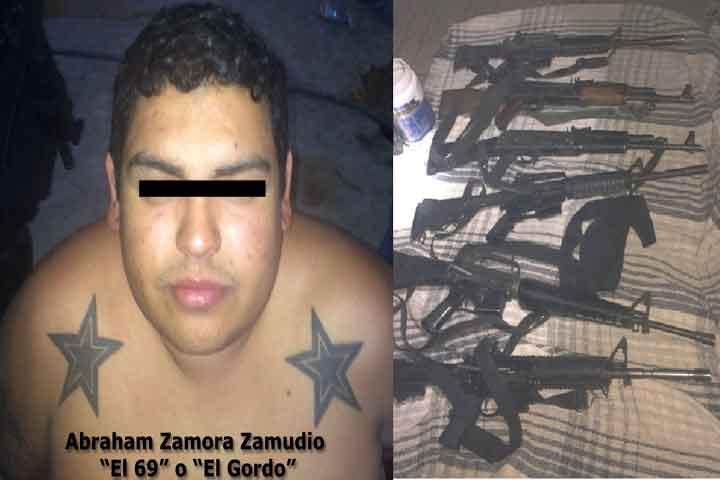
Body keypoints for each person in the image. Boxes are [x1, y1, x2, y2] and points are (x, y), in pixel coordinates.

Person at [0, 4, 391, 479]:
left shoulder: (377, 326)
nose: (199, 239)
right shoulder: (42, 333)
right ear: (115, 193)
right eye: (160, 187)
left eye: (240, 188)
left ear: (284, 191)